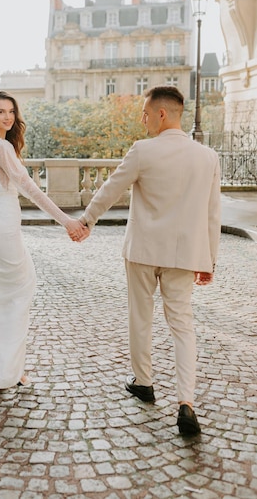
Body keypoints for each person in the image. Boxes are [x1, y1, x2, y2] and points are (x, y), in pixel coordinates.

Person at [76, 86, 221, 436]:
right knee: (183, 327)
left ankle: (144, 383)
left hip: (142, 251)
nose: (141, 119)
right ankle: (186, 402)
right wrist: (209, 260)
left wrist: (86, 221)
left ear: (162, 114)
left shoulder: (143, 151)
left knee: (140, 318)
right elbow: (212, 214)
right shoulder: (207, 157)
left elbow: (109, 189)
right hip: (185, 255)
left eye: (144, 112)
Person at [0, 90, 84, 391]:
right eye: (1, 112)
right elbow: (28, 187)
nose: (8, 117)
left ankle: (1, 369)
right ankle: (6, 372)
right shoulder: (0, 146)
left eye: (11, 111)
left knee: (1, 296)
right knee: (19, 291)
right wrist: (66, 220)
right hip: (0, 225)